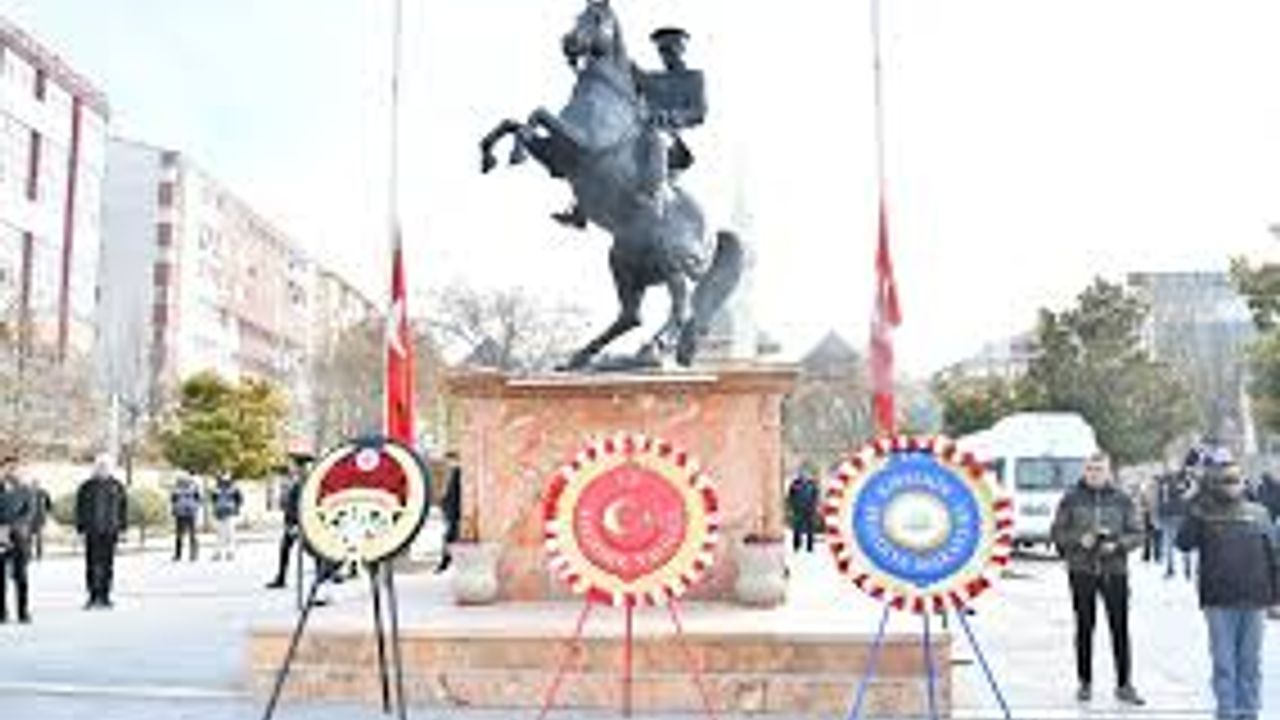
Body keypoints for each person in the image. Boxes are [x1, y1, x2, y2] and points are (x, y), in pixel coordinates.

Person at [1176, 456, 1279, 720]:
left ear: (1244, 482)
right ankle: (1227, 712)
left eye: (1236, 479)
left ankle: (1249, 712)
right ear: (1215, 484)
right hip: (1219, 600)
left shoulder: (1260, 513)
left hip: (1255, 599)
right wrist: (1195, 503)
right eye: (1226, 480)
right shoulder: (1203, 512)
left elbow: (1274, 556)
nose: (1232, 485)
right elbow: (1183, 543)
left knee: (1250, 663)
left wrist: (1276, 597)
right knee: (1224, 663)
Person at [1050, 452, 1146, 706]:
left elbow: (1138, 533)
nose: (1095, 474)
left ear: (1108, 471)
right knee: (1084, 626)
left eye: (1100, 469)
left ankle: (1124, 684)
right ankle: (1084, 682)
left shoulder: (1122, 499)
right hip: (1081, 570)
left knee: (1119, 627)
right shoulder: (1071, 498)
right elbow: (1057, 532)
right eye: (1091, 469)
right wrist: (1079, 540)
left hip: (1115, 571)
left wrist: (1118, 545)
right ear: (1084, 471)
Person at [75, 454, 127, 609]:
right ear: (95, 467)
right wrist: (80, 528)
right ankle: (93, 596)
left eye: (105, 466)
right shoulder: (86, 486)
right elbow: (79, 508)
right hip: (92, 530)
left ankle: (105, 596)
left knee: (108, 565)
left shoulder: (117, 486)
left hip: (110, 530)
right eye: (100, 466)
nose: (102, 469)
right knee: (91, 564)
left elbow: (123, 509)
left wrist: (123, 528)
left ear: (110, 468)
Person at [0, 455, 34, 623]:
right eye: (8, 468)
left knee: (21, 576)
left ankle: (23, 611)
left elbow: (29, 512)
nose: (11, 471)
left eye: (14, 468)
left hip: (19, 536)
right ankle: (1, 612)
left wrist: (12, 526)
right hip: (0, 536)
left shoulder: (25, 489)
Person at [1156, 469, 1197, 580]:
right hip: (1179, 515)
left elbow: (1160, 501)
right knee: (1182, 542)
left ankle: (1172, 568)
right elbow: (1189, 498)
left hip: (1170, 516)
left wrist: (1159, 516)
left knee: (1169, 544)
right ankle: (1186, 568)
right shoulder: (1184, 483)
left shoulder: (1164, 484)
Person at [266, 467, 303, 589]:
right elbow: (288, 507)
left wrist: (295, 524)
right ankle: (281, 578)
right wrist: (288, 524)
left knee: (315, 551)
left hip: (299, 523)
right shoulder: (292, 487)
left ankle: (327, 574)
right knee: (285, 549)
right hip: (292, 523)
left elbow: (297, 507)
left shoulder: (301, 487)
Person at [435, 452, 462, 574]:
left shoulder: (457, 473)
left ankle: (446, 561)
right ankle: (446, 561)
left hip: (454, 512)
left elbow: (452, 494)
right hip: (453, 512)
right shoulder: (454, 473)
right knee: (450, 536)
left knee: (450, 536)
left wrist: (446, 505)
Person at [786, 465, 820, 553]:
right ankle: (796, 546)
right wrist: (792, 507)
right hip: (798, 510)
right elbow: (790, 497)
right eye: (802, 474)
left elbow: (816, 496)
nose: (804, 476)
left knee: (810, 529)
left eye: (806, 474)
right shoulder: (795, 484)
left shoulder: (812, 485)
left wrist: (815, 507)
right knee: (797, 529)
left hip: (809, 510)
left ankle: (810, 547)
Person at [210, 473, 243, 561]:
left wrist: (215, 510)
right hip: (227, 512)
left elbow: (213, 500)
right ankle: (227, 552)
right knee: (228, 534)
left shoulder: (217, 488)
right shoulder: (233, 488)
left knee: (223, 534)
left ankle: (221, 552)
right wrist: (236, 509)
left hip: (223, 513)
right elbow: (240, 500)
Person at [169, 473, 202, 562]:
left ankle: (190, 555)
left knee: (189, 535)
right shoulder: (178, 489)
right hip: (184, 513)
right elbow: (173, 500)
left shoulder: (192, 488)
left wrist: (195, 508)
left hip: (187, 513)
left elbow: (199, 500)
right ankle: (182, 555)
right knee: (183, 535)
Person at [28, 479, 50, 562]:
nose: (35, 485)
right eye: (34, 484)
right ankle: (30, 554)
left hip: (38, 518)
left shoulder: (43, 492)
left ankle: (38, 554)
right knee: (30, 538)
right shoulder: (29, 492)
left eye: (36, 484)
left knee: (38, 538)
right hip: (30, 518)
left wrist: (46, 512)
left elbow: (48, 504)